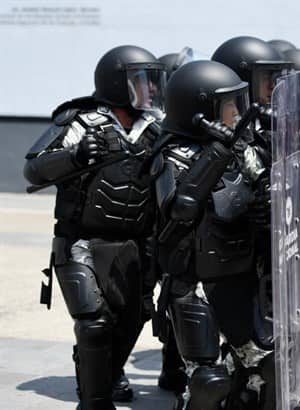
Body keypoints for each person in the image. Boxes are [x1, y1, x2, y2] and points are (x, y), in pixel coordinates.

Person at [23, 45, 166, 410]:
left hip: (136, 243)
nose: (150, 89)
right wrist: (74, 156)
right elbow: (34, 169)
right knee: (94, 323)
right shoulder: (79, 120)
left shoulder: (156, 128)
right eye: (142, 81)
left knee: (132, 319)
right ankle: (94, 400)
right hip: (81, 241)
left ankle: (106, 371)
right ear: (118, 83)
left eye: (152, 81)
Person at [152, 59, 277, 410]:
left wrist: (263, 209)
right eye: (229, 105)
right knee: (209, 382)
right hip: (194, 284)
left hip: (238, 276)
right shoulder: (170, 155)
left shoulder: (244, 151)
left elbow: (266, 190)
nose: (237, 112)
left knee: (269, 364)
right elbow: (181, 207)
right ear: (201, 110)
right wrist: (217, 152)